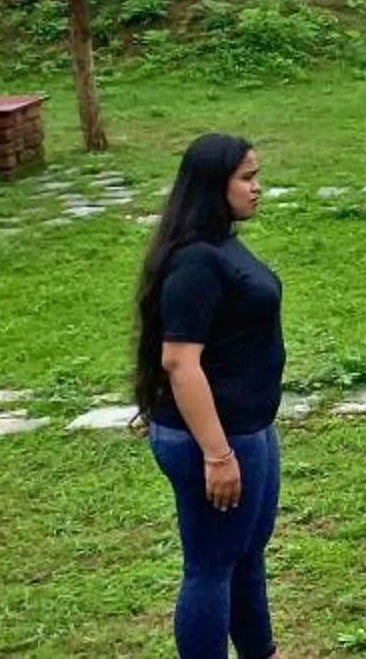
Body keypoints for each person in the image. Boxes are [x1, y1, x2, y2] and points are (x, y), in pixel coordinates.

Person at [131, 133, 285, 659]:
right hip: (213, 439)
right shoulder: (195, 261)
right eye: (246, 178)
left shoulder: (222, 243)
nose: (257, 188)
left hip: (250, 426)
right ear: (211, 186)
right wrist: (217, 454)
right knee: (211, 565)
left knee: (246, 555)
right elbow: (179, 361)